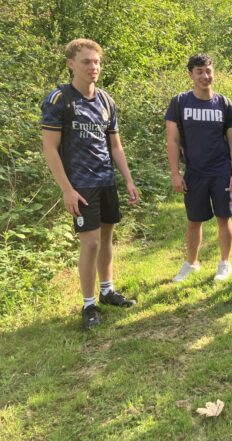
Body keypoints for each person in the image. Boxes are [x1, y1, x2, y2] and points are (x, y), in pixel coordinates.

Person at [41, 39, 139, 329]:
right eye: (86, 62)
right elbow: (49, 148)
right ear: (71, 63)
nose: (93, 67)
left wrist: (128, 179)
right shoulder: (59, 99)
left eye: (96, 62)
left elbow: (116, 146)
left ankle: (107, 290)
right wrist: (67, 189)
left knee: (107, 238)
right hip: (81, 185)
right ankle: (88, 305)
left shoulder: (107, 100)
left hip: (106, 179)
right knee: (91, 242)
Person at [166, 54, 232, 283]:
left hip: (221, 171)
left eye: (208, 71)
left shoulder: (224, 104)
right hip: (194, 173)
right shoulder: (179, 102)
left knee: (223, 217)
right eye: (199, 71)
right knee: (193, 220)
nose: (205, 76)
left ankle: (225, 263)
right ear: (190, 74)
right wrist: (176, 174)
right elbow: (172, 141)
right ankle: (191, 263)